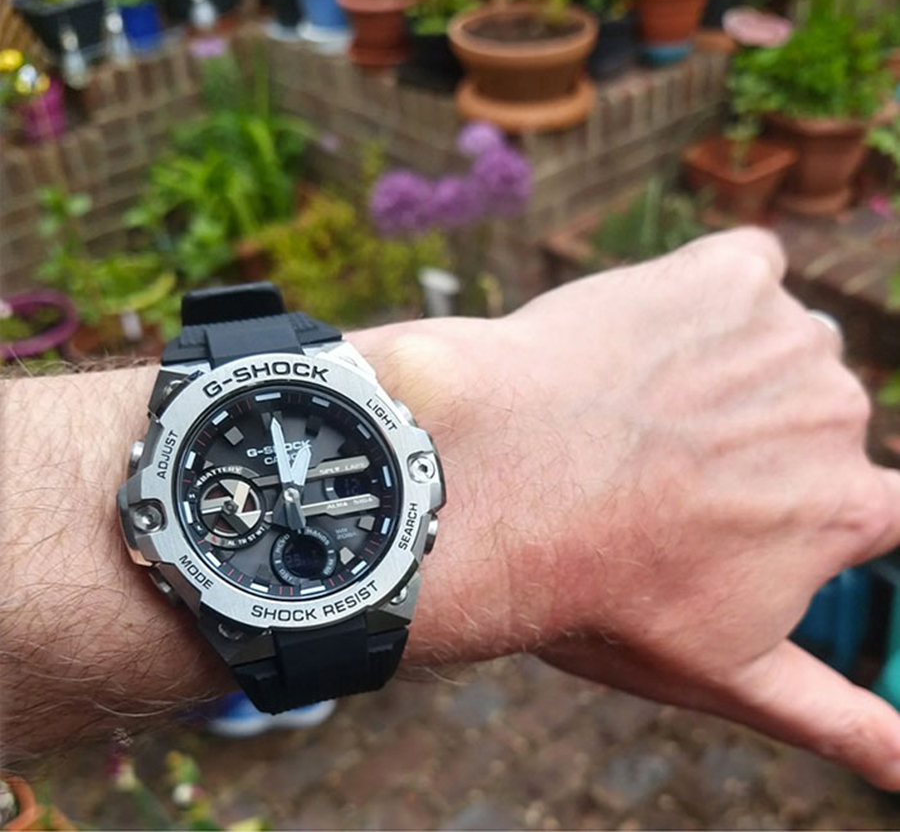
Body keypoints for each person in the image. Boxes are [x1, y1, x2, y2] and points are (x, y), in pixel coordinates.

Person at [2, 228, 899, 790]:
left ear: (422, 475)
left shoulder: (392, 470)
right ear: (145, 516)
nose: (290, 501)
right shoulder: (152, 515)